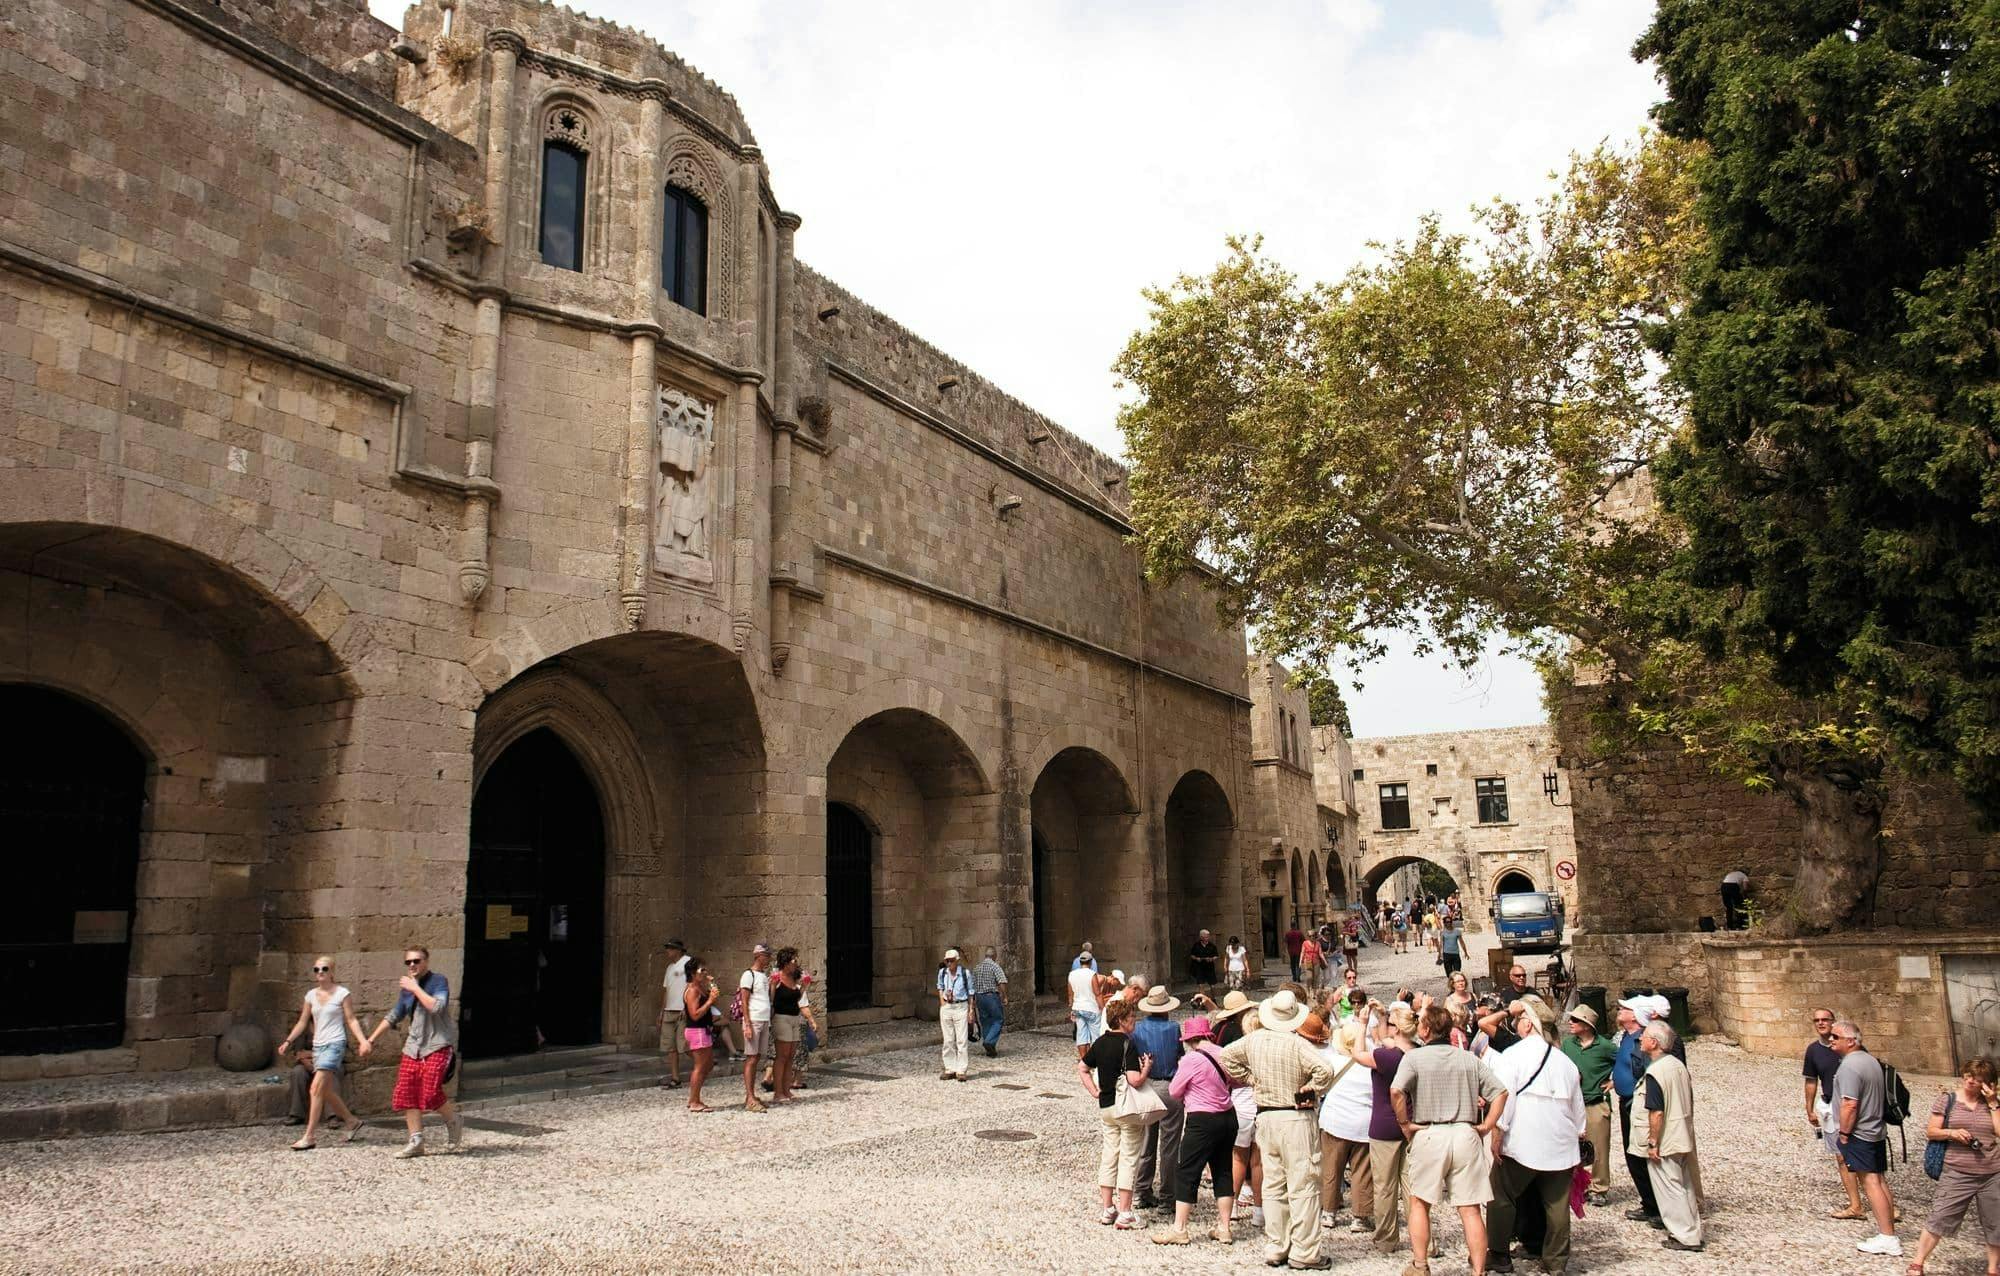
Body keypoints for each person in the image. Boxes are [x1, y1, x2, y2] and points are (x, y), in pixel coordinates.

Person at [1217, 988, 1334, 1269]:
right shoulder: (1297, 1044)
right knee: (1303, 1185)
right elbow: (1326, 1070)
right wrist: (1312, 1087)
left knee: (1273, 1184)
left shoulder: (1254, 1040)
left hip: (1266, 1117)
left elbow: (1226, 1058)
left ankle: (1276, 1246)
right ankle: (1305, 1252)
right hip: (1294, 1116)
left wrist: (1251, 1078)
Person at [1392, 1002, 1510, 1276]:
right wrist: (1486, 1125)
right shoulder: (1468, 1058)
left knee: (1420, 1202)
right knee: (1470, 1209)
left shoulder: (1414, 1058)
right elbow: (1500, 1092)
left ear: (1425, 1028)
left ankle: (1420, 1265)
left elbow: (1396, 1092)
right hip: (1465, 1133)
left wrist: (1405, 1125)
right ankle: (1478, 1270)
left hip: (1430, 1132)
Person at [1486, 999, 1585, 1276]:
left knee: (1501, 1193)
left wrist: (1497, 1134)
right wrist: (1578, 1133)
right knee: (1557, 1204)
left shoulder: (1513, 1056)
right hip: (1561, 1142)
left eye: (1520, 1019)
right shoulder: (1564, 1061)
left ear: (1528, 1023)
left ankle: (1499, 1253)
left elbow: (1503, 1097)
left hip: (1524, 1141)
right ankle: (1555, 1261)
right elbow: (1578, 1109)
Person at [364, 945, 461, 1158]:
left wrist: (415, 988)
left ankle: (453, 1121)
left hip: (437, 1044)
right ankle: (416, 1140)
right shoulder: (407, 988)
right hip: (413, 1046)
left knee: (430, 1093)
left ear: (426, 962)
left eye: (416, 961)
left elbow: (436, 1007)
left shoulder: (439, 981)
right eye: (408, 962)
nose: (412, 965)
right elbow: (395, 1015)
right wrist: (370, 1040)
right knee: (407, 1093)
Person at [1907, 1056, 2000, 1276]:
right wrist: (1952, 1133)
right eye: (1968, 1076)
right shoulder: (1947, 1100)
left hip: (1992, 1173)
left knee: (1996, 1222)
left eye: (1977, 1079)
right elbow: (1931, 1131)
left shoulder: (1992, 1104)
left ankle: (1993, 1267)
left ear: (1987, 1083)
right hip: (1957, 1171)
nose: (1970, 1082)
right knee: (1940, 1216)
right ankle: (1918, 1262)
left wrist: (1994, 1102)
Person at [1155, 1015, 1242, 1245]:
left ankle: (1180, 1228)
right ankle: (1224, 1228)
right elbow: (1236, 1080)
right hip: (1228, 1116)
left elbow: (1174, 1090)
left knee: (1186, 1172)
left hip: (1202, 1119)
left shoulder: (1191, 1059)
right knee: (1223, 1170)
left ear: (1190, 1039)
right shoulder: (1223, 1053)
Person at [275, 955, 370, 1150]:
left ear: (332, 972)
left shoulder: (342, 993)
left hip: (335, 1044)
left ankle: (309, 1137)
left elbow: (351, 1019)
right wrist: (288, 1041)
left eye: (324, 969)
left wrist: (362, 1041)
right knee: (325, 1090)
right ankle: (352, 1121)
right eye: (316, 969)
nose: (320, 972)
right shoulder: (310, 995)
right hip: (318, 1046)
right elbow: (303, 1021)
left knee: (315, 1088)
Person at [1831, 1019, 1902, 1256]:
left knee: (1871, 1182)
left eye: (1836, 1037)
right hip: (1875, 1130)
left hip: (1861, 1133)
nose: (1831, 1040)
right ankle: (1888, 1230)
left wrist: (1843, 1134)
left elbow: (1850, 1104)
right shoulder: (1870, 1061)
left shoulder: (1850, 1066)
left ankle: (1887, 1237)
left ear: (1850, 1041)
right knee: (1879, 1181)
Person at [1351, 1002, 1417, 1252]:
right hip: (1412, 1124)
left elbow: (1358, 1054)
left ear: (1396, 1028)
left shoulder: (1385, 1057)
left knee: (1385, 1187)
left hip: (1384, 1124)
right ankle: (1423, 1239)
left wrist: (1362, 1025)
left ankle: (1387, 1239)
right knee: (1412, 1187)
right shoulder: (1415, 1053)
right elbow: (1389, 1041)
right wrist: (1382, 1016)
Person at [1080, 997, 1148, 1230]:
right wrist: (1146, 1068)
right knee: (1129, 1157)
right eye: (1131, 1019)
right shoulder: (1128, 1044)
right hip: (1125, 1108)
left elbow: (1082, 1067)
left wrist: (1094, 1091)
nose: (1134, 1023)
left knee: (1109, 1156)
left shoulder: (1099, 1042)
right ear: (1121, 1020)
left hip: (1106, 1106)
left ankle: (1108, 1207)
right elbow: (1134, 1080)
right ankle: (1126, 1212)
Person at [1639, 1021, 1705, 1252]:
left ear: (1654, 1042)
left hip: (1668, 1137)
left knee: (1670, 1188)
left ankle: (1684, 1235)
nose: (1640, 1039)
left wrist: (1653, 1142)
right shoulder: (1678, 1065)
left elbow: (1656, 1111)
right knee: (1685, 1185)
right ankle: (1693, 1231)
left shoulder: (1656, 1071)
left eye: (1644, 1036)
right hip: (1683, 1132)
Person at [1803, 1006, 1867, 1220]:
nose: (1821, 1023)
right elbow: (1811, 1080)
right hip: (1830, 1106)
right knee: (1841, 1157)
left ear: (1833, 1021)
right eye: (1817, 1020)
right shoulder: (1813, 1051)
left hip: (1853, 1106)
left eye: (1825, 1019)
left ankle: (1883, 1203)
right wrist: (1809, 1108)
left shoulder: (1849, 1046)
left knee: (1864, 1156)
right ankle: (1855, 1205)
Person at [1315, 1016, 1377, 1234]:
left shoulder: (1333, 1062)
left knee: (1331, 1167)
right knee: (1362, 1171)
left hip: (1335, 1120)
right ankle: (1361, 1215)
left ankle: (1328, 1212)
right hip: (1364, 1123)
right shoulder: (1371, 1066)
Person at [1213, 992, 1267, 1232]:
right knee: (1258, 1161)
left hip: (1242, 1107)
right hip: (1262, 1108)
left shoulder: (1234, 1047)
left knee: (1237, 1158)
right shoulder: (1266, 1048)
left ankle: (1232, 1206)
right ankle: (1259, 1211)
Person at [1131, 985, 1185, 1213]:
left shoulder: (1137, 1029)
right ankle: (1167, 1198)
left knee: (1147, 1141)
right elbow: (1180, 1055)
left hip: (1146, 1085)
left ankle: (1141, 1191)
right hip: (1169, 1086)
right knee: (1170, 1146)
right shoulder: (1174, 1028)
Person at [1612, 996, 1665, 1226]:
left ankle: (1655, 1206)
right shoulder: (1625, 1037)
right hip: (1625, 1100)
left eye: (1624, 1009)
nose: (1619, 1010)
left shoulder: (1641, 1042)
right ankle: (1649, 1202)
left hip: (1637, 1103)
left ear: (1634, 1015)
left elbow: (1647, 1073)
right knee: (1631, 1153)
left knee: (1639, 1154)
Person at [1560, 1004, 1616, 1205]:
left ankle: (1599, 1188)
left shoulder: (1606, 1046)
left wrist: (1614, 1080)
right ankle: (1578, 1186)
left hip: (1595, 1103)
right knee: (1572, 1147)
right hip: (1572, 1104)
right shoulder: (1567, 1045)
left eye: (1575, 1020)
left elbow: (1626, 1062)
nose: (1570, 1023)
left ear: (1587, 1024)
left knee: (1599, 1148)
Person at [769, 948, 817, 1104]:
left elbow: (797, 998)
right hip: (781, 1018)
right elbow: (772, 1000)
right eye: (794, 960)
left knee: (790, 1057)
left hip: (794, 1018)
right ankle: (778, 1092)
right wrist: (772, 986)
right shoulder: (777, 979)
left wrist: (804, 986)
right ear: (785, 962)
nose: (796, 963)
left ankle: (786, 1089)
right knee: (781, 1057)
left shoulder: (793, 979)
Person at [680, 956, 719, 1112]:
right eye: (702, 970)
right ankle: (695, 1101)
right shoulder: (692, 991)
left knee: (708, 1065)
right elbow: (694, 1014)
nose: (705, 972)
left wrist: (711, 984)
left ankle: (693, 1098)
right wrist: (710, 1001)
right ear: (692, 973)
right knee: (700, 1067)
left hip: (703, 1030)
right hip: (697, 1031)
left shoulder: (699, 988)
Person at [657, 937, 689, 1090]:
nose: (667, 951)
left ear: (678, 950)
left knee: (685, 1045)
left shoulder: (689, 963)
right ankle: (675, 1078)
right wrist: (661, 1012)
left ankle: (704, 1063)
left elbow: (692, 986)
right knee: (671, 1047)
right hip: (669, 1010)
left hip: (683, 1010)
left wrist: (687, 1007)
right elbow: (666, 991)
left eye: (670, 948)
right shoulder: (669, 968)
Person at [937, 947, 973, 1082]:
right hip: (947, 1006)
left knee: (961, 1039)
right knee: (948, 1039)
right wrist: (943, 1003)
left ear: (957, 961)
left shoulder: (965, 973)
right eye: (947, 961)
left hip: (960, 1006)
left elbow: (971, 993)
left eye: (951, 961)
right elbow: (940, 987)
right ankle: (949, 1068)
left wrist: (971, 1010)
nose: (949, 963)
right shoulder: (942, 973)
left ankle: (961, 1070)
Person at [971, 947, 1008, 1057]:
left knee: (985, 1021)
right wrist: (1004, 996)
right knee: (998, 1019)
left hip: (979, 998)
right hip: (991, 996)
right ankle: (989, 1042)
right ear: (994, 956)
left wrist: (972, 1000)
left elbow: (971, 985)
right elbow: (1001, 981)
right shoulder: (994, 966)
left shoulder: (977, 967)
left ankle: (990, 1049)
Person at [1299, 929, 1324, 996]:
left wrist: (1324, 961)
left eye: (1313, 935)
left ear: (1315, 936)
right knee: (1309, 977)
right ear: (1308, 936)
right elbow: (1302, 952)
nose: (1311, 937)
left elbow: (1320, 953)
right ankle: (1308, 989)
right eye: (1310, 936)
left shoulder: (1318, 943)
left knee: (1316, 977)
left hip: (1316, 962)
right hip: (1308, 962)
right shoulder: (1305, 943)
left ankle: (1314, 992)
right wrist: (1300, 961)